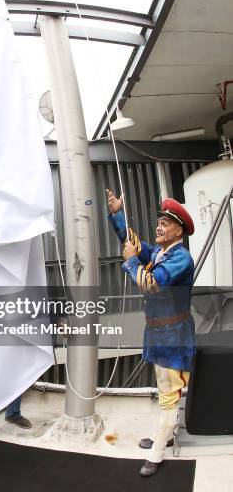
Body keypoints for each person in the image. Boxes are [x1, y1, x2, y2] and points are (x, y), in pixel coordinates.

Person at [106, 189, 194, 477]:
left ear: (179, 230)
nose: (159, 227)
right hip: (159, 333)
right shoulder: (160, 251)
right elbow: (130, 242)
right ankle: (167, 434)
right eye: (158, 222)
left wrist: (132, 261)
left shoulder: (181, 259)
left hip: (174, 335)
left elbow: (151, 283)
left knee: (169, 393)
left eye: (166, 224)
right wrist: (117, 214)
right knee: (166, 390)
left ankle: (157, 452)